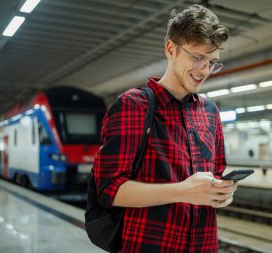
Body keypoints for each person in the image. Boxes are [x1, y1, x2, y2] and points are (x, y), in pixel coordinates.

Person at [93, 4, 238, 252]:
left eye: (212, 62)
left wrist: (222, 194)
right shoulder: (134, 105)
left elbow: (213, 178)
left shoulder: (210, 112)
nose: (204, 70)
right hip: (151, 245)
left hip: (203, 245)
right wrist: (182, 191)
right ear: (171, 49)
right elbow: (109, 190)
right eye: (197, 57)